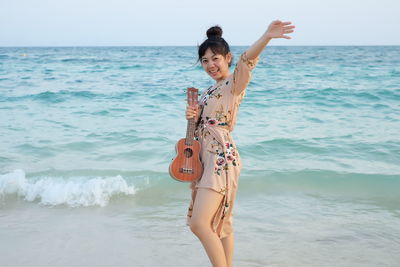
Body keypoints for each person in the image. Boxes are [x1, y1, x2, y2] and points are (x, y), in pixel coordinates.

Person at [185, 20, 295, 267]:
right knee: (221, 225)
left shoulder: (233, 84)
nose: (210, 65)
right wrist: (193, 117)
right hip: (206, 160)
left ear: (227, 57)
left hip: (221, 158)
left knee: (199, 223)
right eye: (205, 60)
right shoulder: (208, 90)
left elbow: (248, 60)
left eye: (215, 59)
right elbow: (199, 128)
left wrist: (266, 36)